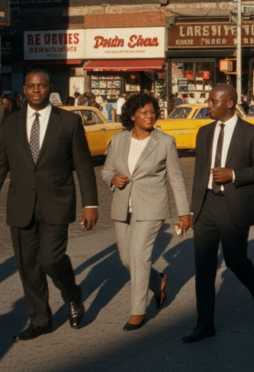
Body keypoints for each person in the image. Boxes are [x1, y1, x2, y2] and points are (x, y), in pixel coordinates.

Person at [0, 69, 99, 341]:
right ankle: (40, 319)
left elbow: (83, 165)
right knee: (28, 265)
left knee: (51, 258)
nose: (36, 90)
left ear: (49, 89)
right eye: (31, 86)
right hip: (21, 205)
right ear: (24, 89)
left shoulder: (68, 122)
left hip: (56, 202)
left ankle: (73, 296)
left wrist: (91, 203)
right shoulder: (9, 124)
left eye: (41, 86)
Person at [183, 84, 254, 343]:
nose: (208, 105)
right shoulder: (204, 132)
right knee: (204, 266)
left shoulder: (251, 133)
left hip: (233, 205)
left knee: (234, 261)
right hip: (206, 206)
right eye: (209, 101)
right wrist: (192, 209)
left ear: (230, 103)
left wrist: (234, 174)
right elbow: (200, 173)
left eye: (212, 101)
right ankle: (205, 323)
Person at [101, 92, 191, 331]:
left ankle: (138, 312)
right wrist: (113, 178)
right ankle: (158, 280)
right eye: (144, 112)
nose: (150, 116)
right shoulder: (118, 139)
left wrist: (185, 212)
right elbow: (106, 169)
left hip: (152, 206)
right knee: (126, 260)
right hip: (123, 206)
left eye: (152, 112)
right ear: (132, 116)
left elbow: (176, 179)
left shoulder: (165, 142)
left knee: (139, 257)